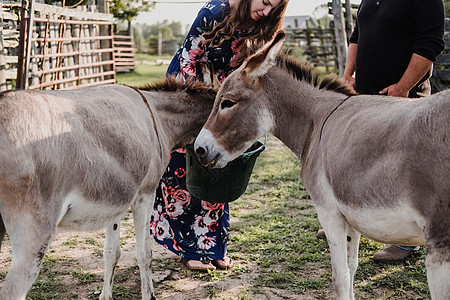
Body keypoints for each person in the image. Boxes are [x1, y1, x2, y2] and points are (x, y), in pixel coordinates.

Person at [149, 0, 289, 271]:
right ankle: (189, 249)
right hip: (191, 92)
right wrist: (203, 103)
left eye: (274, 7)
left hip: (226, 103)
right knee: (183, 169)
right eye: (265, 2)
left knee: (218, 171)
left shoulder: (264, 25)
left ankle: (213, 247)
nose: (267, 11)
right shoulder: (214, 12)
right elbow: (188, 59)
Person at [317, 0, 445, 264]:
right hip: (366, 98)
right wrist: (348, 74)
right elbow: (357, 35)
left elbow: (429, 45)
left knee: (405, 171)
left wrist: (402, 86)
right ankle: (350, 219)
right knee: (361, 164)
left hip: (405, 102)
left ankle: (405, 242)